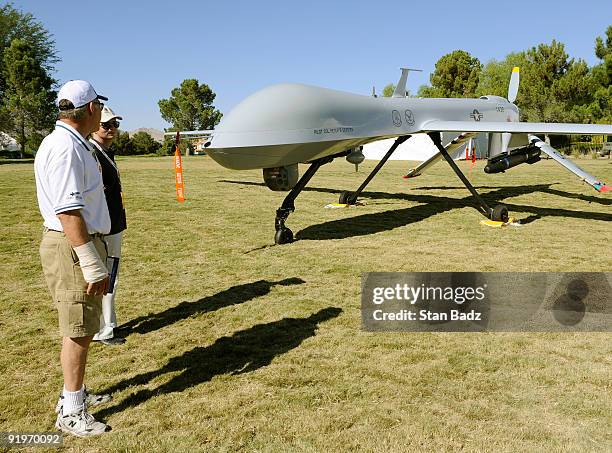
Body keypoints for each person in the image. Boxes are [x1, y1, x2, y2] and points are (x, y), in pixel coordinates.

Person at [35, 80, 113, 437]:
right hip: (71, 245)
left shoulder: (68, 142)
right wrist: (89, 259)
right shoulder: (66, 147)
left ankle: (74, 394)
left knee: (82, 325)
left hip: (75, 243)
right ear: (92, 109)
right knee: (79, 328)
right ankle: (70, 409)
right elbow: (68, 211)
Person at [89, 106, 127, 346]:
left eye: (115, 124)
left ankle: (105, 323)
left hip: (113, 223)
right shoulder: (92, 153)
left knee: (109, 276)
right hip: (105, 227)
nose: (112, 129)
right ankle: (104, 329)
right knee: (108, 277)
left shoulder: (105, 152)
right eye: (106, 125)